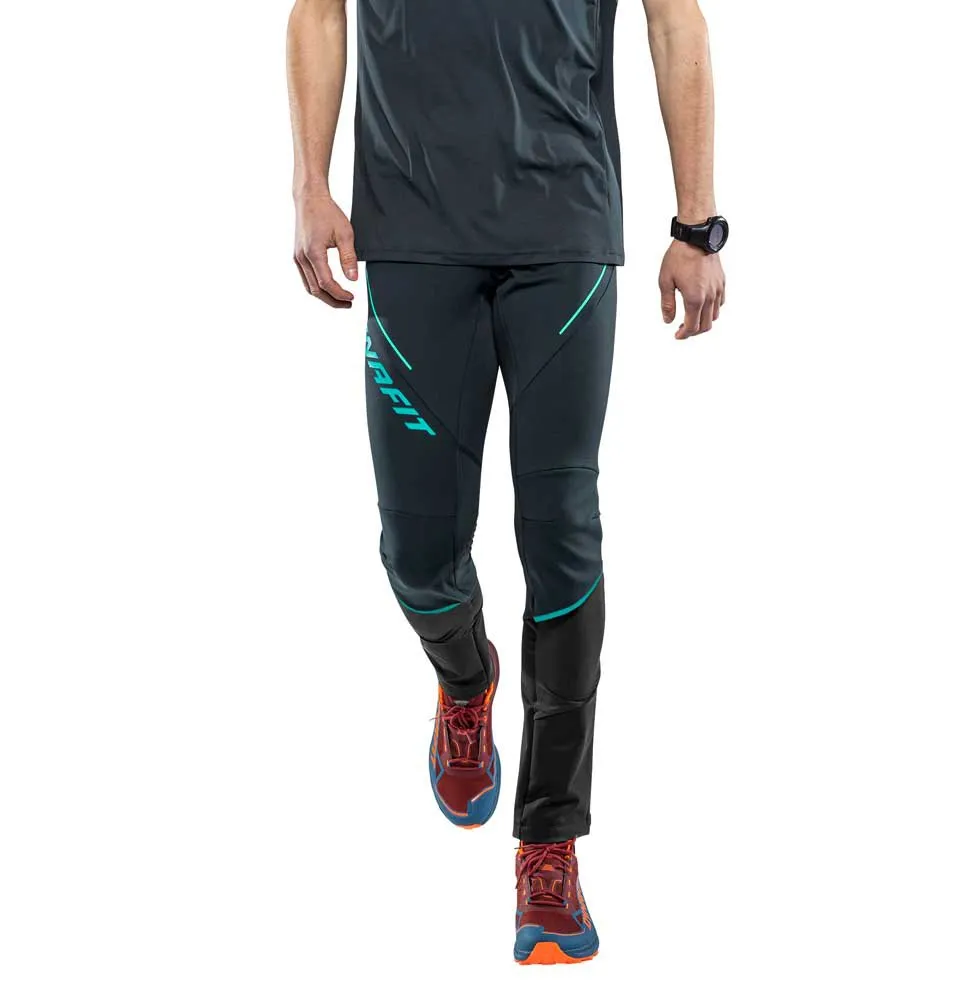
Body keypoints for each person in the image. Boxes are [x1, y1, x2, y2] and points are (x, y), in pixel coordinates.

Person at [287, 0, 727, 965]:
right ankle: (466, 678)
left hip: (563, 229)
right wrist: (310, 184)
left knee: (563, 534)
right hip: (411, 230)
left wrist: (697, 226)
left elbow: (675, 20)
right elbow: (318, 9)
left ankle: (550, 845)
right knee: (416, 557)